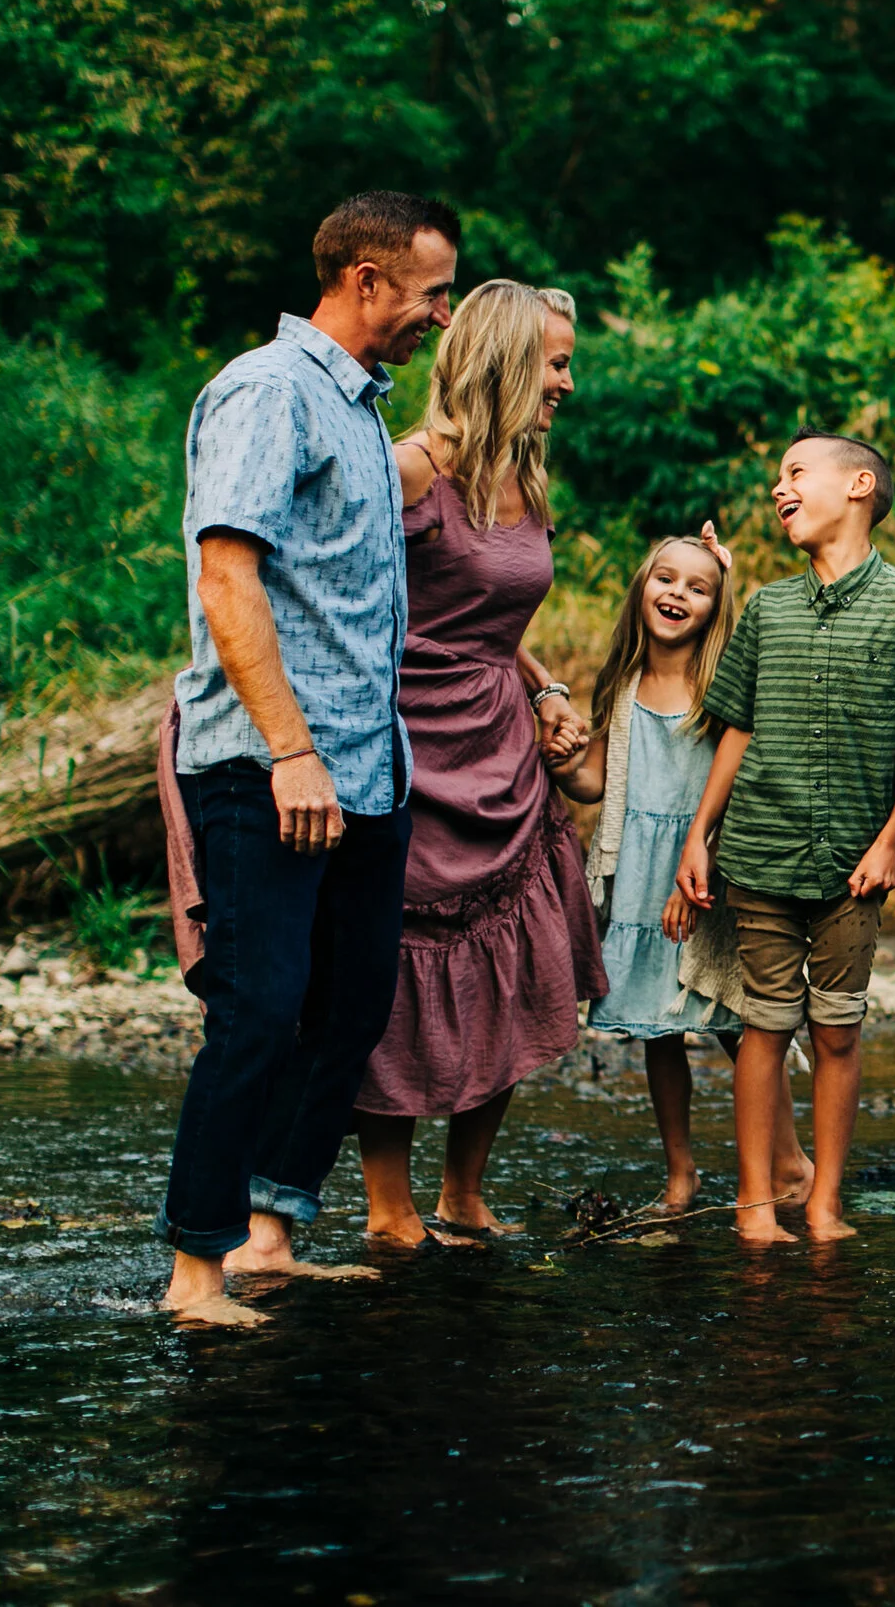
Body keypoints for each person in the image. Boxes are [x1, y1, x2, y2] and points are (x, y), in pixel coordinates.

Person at [158, 191, 459, 1325]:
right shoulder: (267, 391)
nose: (441, 312)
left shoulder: (364, 419)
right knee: (258, 1007)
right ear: (367, 281)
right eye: (431, 291)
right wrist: (291, 751)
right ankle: (196, 1269)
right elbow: (227, 576)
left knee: (350, 1003)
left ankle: (270, 1234)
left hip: (367, 770)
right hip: (267, 765)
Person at [348, 280, 609, 1246]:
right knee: (402, 975)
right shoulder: (409, 471)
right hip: (410, 747)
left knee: (518, 961)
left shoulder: (526, 474)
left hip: (504, 749)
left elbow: (496, 615)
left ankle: (464, 1191)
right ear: (503, 359)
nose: (567, 382)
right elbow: (354, 605)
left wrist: (542, 687)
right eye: (555, 362)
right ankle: (390, 1206)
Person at [672, 433, 895, 1243]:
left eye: (796, 472)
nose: (779, 487)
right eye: (778, 477)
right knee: (763, 1025)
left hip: (855, 865)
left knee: (836, 1028)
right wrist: (701, 836)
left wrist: (889, 840)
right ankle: (755, 1203)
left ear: (859, 485)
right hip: (760, 848)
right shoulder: (766, 605)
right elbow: (736, 727)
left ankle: (825, 1200)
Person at [550, 528, 815, 1213]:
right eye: (666, 578)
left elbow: (737, 775)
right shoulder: (625, 679)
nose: (677, 594)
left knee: (737, 1016)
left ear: (715, 607)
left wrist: (731, 569)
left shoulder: (719, 679)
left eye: (698, 587)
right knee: (656, 1028)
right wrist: (559, 758)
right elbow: (595, 782)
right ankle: (681, 1173)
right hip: (638, 875)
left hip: (707, 870)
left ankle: (788, 1160)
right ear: (643, 586)